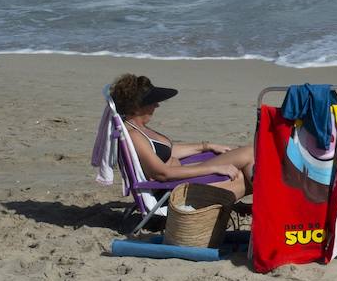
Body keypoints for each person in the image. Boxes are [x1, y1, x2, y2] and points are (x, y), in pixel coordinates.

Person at [109, 73, 254, 199]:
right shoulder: (135, 136)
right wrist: (215, 168)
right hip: (172, 189)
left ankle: (266, 209)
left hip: (180, 174)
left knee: (249, 159)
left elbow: (167, 151)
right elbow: (163, 174)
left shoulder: (138, 129)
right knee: (248, 162)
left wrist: (206, 146)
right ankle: (266, 210)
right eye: (152, 102)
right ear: (136, 108)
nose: (157, 105)